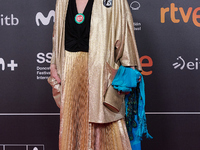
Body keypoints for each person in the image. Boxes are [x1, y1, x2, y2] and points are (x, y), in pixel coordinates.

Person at [49, 0, 142, 149]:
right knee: (73, 128)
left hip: (101, 75)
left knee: (105, 126)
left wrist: (128, 73)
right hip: (70, 74)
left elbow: (125, 34)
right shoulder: (62, 1)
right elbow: (58, 35)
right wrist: (54, 64)